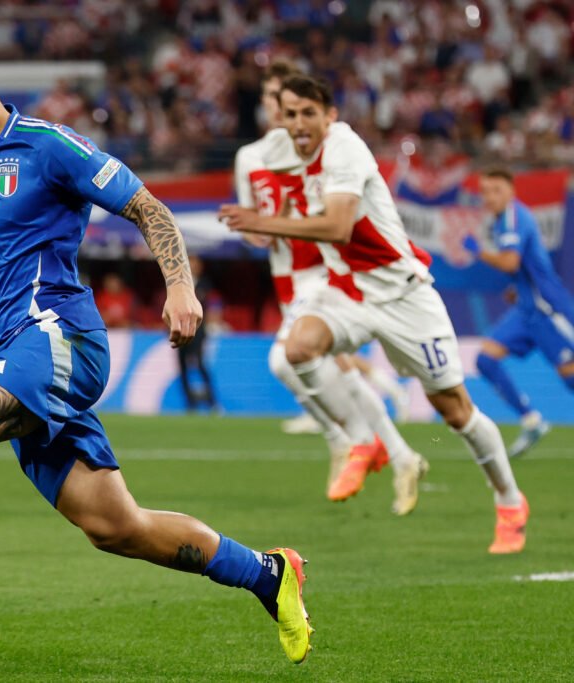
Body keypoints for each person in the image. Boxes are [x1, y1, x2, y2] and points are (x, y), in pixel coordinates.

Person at [0, 38, 313, 664]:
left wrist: (180, 285)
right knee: (117, 528)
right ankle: (269, 574)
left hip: (61, 337)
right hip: (11, 357)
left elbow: (149, 209)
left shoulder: (51, 149)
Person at [219, 75, 529, 554]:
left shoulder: (345, 149)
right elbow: (269, 200)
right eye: (290, 113)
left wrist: (261, 222)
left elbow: (339, 226)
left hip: (403, 295)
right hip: (347, 292)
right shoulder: (273, 153)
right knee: (297, 349)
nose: (298, 123)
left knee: (455, 411)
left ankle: (509, 501)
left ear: (329, 116)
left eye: (308, 113)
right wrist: (257, 223)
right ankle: (364, 440)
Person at [233, 61, 426, 514]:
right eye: (272, 98)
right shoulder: (250, 157)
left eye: (291, 101)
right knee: (330, 367)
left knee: (286, 361)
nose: (282, 109)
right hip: (285, 274)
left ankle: (349, 440)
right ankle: (399, 455)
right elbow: (253, 220)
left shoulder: (322, 149)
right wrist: (254, 230)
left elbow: (336, 209)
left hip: (322, 270)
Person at [466, 168, 574, 458]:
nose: (490, 197)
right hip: (526, 310)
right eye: (485, 191)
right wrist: (517, 289)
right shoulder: (501, 222)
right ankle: (532, 420)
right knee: (486, 359)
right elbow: (522, 267)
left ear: (511, 191)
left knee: (570, 377)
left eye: (496, 190)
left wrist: (479, 253)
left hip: (548, 310)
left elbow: (511, 262)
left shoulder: (514, 217)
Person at [177, 255, 218, 412]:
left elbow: (212, 305)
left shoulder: (205, 284)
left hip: (199, 331)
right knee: (182, 367)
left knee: (200, 364)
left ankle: (212, 402)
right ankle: (190, 403)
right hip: (180, 329)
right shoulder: (177, 284)